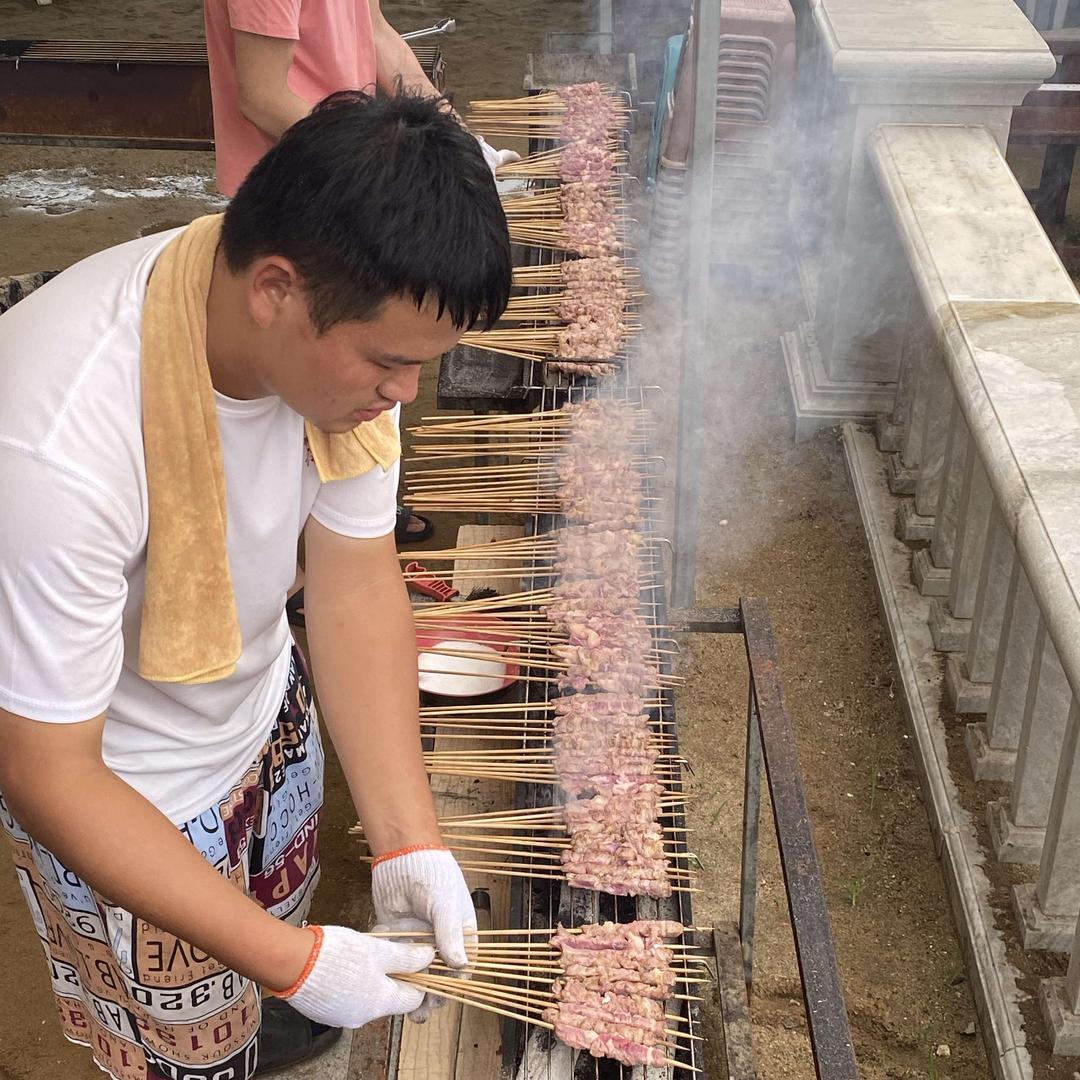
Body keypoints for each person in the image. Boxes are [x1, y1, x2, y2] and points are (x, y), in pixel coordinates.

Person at [0, 90, 512, 1080]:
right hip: (127, 798)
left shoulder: (351, 358)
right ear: (275, 287)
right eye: (391, 363)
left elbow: (355, 580)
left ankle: (268, 1006)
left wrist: (409, 841)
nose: (403, 395)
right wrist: (295, 961)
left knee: (275, 943)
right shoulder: (53, 447)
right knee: (186, 1048)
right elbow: (45, 772)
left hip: (262, 712)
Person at [203, 0, 520, 550]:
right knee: (281, 424)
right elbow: (260, 93)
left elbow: (378, 34)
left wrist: (458, 147)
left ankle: (355, 525)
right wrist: (381, 174)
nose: (408, 390)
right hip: (307, 204)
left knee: (365, 402)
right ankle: (286, 568)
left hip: (366, 197)